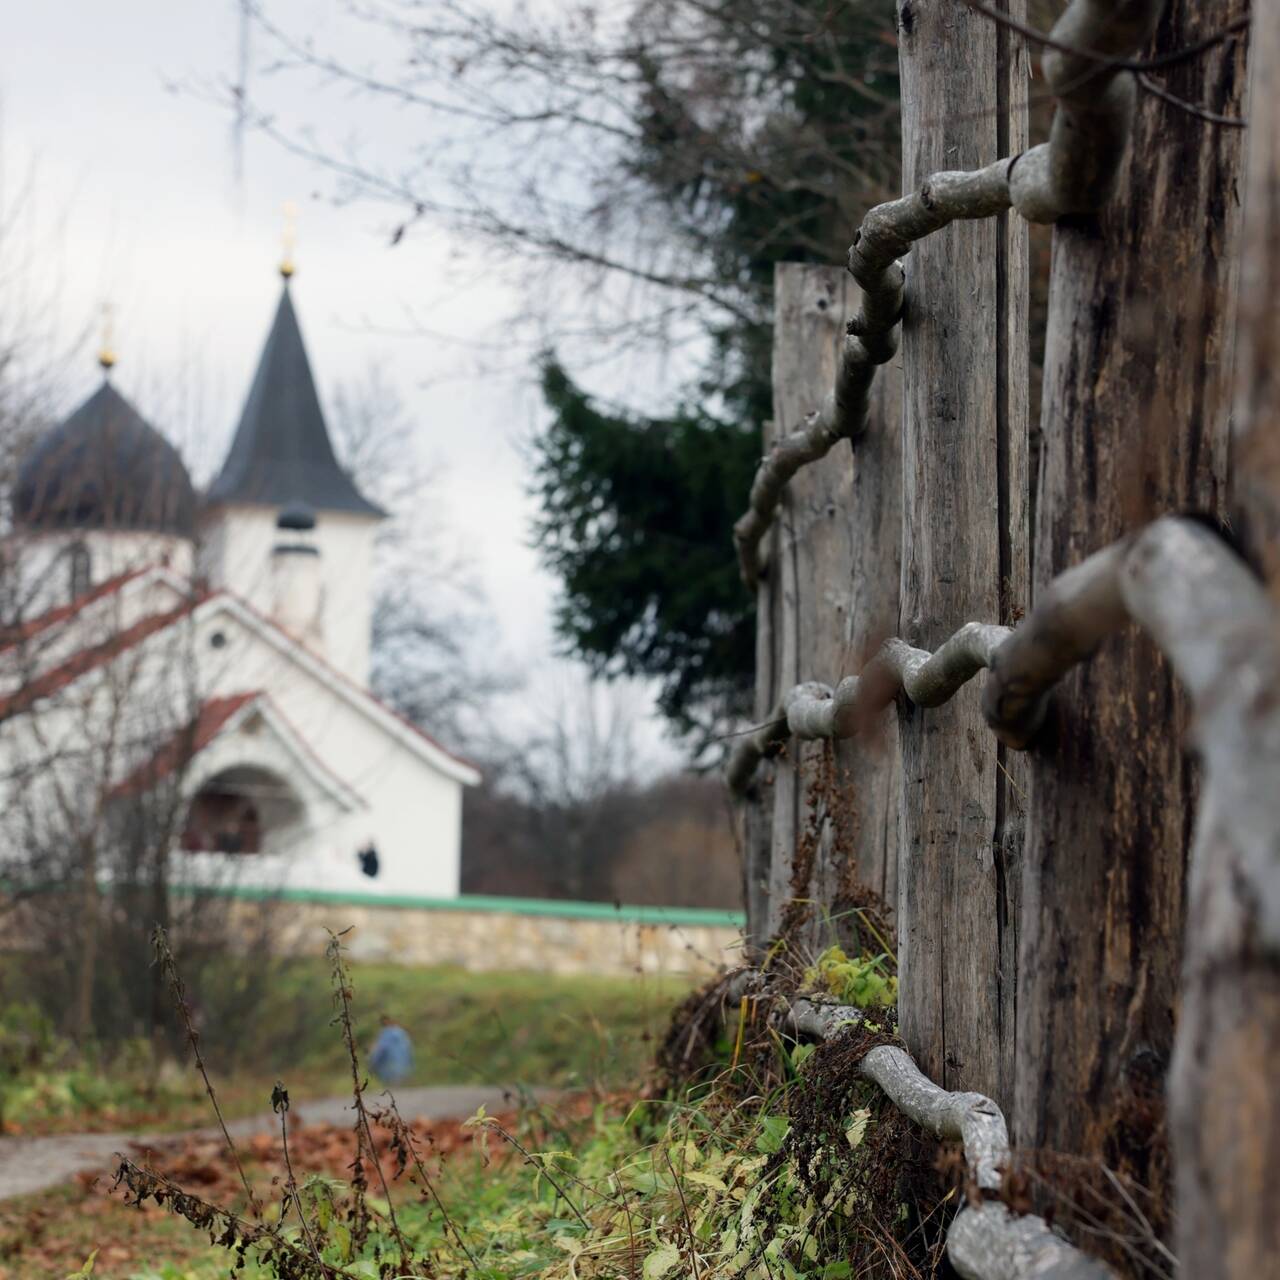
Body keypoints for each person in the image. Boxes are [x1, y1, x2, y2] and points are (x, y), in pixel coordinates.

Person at [369, 1014, 413, 1086]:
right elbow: (408, 1046)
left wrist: (373, 1061)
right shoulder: (400, 1031)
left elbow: (381, 1048)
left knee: (393, 1080)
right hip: (401, 1062)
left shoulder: (387, 1033)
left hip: (391, 1063)